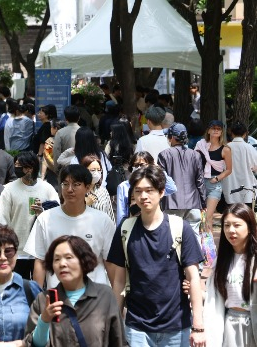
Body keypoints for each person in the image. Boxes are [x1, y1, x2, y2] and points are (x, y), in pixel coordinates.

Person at [108, 164, 205, 347]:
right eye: (138, 191)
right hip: (137, 328)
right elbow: (119, 281)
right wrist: (114, 324)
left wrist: (198, 326)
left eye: (149, 190)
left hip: (177, 327)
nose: (143, 196)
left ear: (161, 192)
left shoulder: (180, 228)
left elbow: (193, 278)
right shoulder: (125, 230)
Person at [24, 235, 126, 347]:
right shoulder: (44, 300)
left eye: (69, 257)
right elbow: (33, 344)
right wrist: (44, 321)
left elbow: (118, 340)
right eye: (56, 259)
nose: (62, 264)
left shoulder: (105, 296)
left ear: (83, 261)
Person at [24, 164, 115, 288]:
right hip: (59, 300)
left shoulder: (102, 220)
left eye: (76, 184)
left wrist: (115, 302)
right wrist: (39, 299)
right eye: (65, 184)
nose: (69, 189)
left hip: (95, 300)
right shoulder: (45, 219)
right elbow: (40, 262)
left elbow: (110, 264)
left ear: (87, 188)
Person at [0, 151, 59, 279]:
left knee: (38, 290)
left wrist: (42, 212)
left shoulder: (47, 188)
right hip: (18, 251)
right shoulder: (8, 189)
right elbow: (2, 219)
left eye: (20, 165)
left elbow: (57, 214)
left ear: (30, 168)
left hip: (41, 250)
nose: (16, 168)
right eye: (16, 164)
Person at [204, 203, 257, 346]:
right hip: (230, 324)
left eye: (237, 225)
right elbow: (213, 296)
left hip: (253, 323)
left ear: (250, 226)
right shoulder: (221, 261)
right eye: (226, 225)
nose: (231, 230)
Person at [158, 123, 205, 238]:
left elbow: (161, 179)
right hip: (193, 202)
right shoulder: (195, 155)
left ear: (172, 138)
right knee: (194, 236)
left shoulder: (164, 155)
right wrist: (203, 202)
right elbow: (200, 180)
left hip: (171, 202)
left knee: (173, 236)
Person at [116, 151, 178, 226]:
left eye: (142, 165)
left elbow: (172, 188)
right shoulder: (123, 186)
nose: (139, 168)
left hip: (153, 223)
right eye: (135, 165)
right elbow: (121, 212)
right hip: (132, 224)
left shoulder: (155, 184)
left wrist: (158, 169)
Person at [194, 120, 233, 227]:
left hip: (214, 184)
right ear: (209, 130)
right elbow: (194, 162)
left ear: (221, 132)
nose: (216, 130)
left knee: (208, 216)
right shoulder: (200, 145)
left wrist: (217, 179)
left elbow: (229, 169)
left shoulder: (225, 149)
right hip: (200, 182)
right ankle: (201, 242)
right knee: (199, 216)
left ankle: (208, 243)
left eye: (218, 129)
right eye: (213, 128)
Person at [222, 121, 257, 205]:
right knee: (245, 216)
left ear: (231, 133)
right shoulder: (250, 148)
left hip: (229, 188)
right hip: (248, 189)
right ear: (245, 133)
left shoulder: (225, 148)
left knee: (231, 215)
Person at [79, 154, 116, 223]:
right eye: (93, 170)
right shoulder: (77, 192)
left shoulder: (103, 191)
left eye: (99, 170)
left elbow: (110, 216)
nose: (96, 173)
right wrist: (84, 204)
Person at [41, 119, 66, 188]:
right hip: (67, 171)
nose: (50, 129)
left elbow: (46, 159)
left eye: (51, 127)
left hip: (53, 172)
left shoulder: (50, 142)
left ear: (56, 129)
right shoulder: (68, 139)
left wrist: (42, 176)